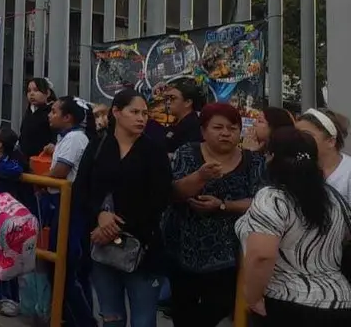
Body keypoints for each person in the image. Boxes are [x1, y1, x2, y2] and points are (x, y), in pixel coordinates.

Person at [162, 101, 264, 327]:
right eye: (218, 128)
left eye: (232, 128)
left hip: (229, 255)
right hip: (182, 249)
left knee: (217, 308)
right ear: (203, 131)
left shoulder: (254, 161)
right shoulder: (187, 152)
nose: (226, 133)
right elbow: (173, 193)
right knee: (183, 312)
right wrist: (199, 177)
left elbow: (260, 203)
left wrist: (223, 205)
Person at [76, 89, 172, 327]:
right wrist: (100, 215)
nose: (141, 118)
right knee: (111, 316)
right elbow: (81, 189)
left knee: (143, 320)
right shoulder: (98, 145)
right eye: (134, 112)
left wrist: (115, 226)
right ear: (116, 112)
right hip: (102, 248)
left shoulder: (154, 151)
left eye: (145, 113)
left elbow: (159, 198)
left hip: (143, 249)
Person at [236, 126, 351, 323]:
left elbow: (262, 255)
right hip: (338, 303)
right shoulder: (334, 199)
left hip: (287, 302)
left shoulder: (272, 198)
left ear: (271, 157)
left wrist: (252, 296)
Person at [42, 95, 97, 327]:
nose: (49, 115)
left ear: (68, 117)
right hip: (65, 206)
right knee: (67, 269)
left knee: (66, 270)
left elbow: (60, 172)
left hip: (71, 208)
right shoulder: (67, 137)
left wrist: (39, 180)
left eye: (54, 111)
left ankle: (82, 322)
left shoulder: (75, 138)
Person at [295, 108, 351, 201]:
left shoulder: (348, 172)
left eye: (306, 135)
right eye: (296, 134)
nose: (297, 139)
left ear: (331, 141)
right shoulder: (295, 166)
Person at [160, 77, 205, 155]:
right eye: (167, 98)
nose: (168, 102)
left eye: (172, 98)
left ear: (188, 102)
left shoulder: (193, 127)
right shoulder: (176, 123)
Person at [19, 77, 56, 160]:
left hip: (43, 159)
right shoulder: (29, 111)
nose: (31, 94)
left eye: (36, 90)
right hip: (25, 159)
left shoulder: (52, 112)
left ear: (47, 93)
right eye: (29, 91)